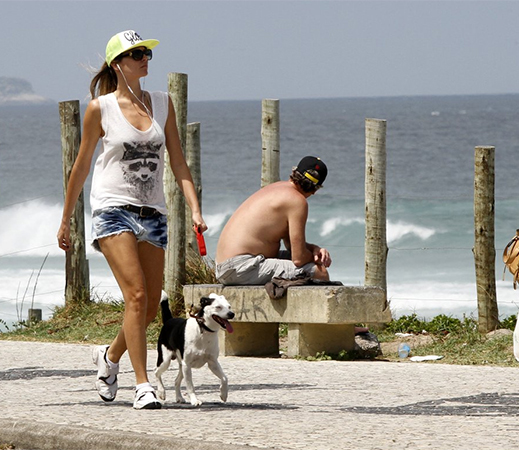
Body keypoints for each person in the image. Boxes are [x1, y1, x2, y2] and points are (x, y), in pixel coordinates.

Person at [57, 30, 206, 410]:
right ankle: (142, 386)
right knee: (137, 295)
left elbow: (178, 160)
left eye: (147, 53)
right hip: (112, 209)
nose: (145, 59)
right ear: (117, 64)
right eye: (136, 53)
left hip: (153, 213)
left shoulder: (162, 103)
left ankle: (109, 357)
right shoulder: (100, 108)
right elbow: (81, 165)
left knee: (150, 305)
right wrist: (65, 220)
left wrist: (195, 209)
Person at [215, 156, 332, 286]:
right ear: (315, 189)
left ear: (294, 172)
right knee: (320, 273)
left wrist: (314, 249)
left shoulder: (277, 187)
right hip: (242, 267)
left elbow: (291, 245)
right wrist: (316, 259)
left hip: (227, 266)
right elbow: (298, 258)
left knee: (307, 266)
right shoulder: (297, 201)